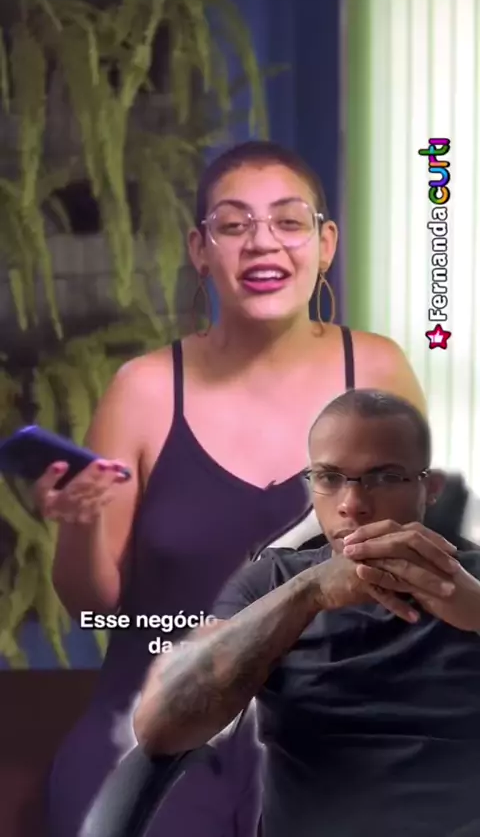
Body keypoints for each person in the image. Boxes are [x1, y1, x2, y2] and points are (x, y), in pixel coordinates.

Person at [35, 140, 427, 837]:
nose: (262, 242)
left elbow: (410, 566)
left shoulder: (376, 370)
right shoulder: (142, 390)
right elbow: (91, 605)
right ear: (200, 249)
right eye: (234, 224)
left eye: (288, 221)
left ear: (325, 244)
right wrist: (80, 521)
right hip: (153, 731)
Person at [135, 390, 480, 837]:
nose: (352, 503)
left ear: (430, 489)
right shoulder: (272, 583)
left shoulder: (474, 583)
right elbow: (160, 727)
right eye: (330, 477)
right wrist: (309, 592)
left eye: (385, 477)